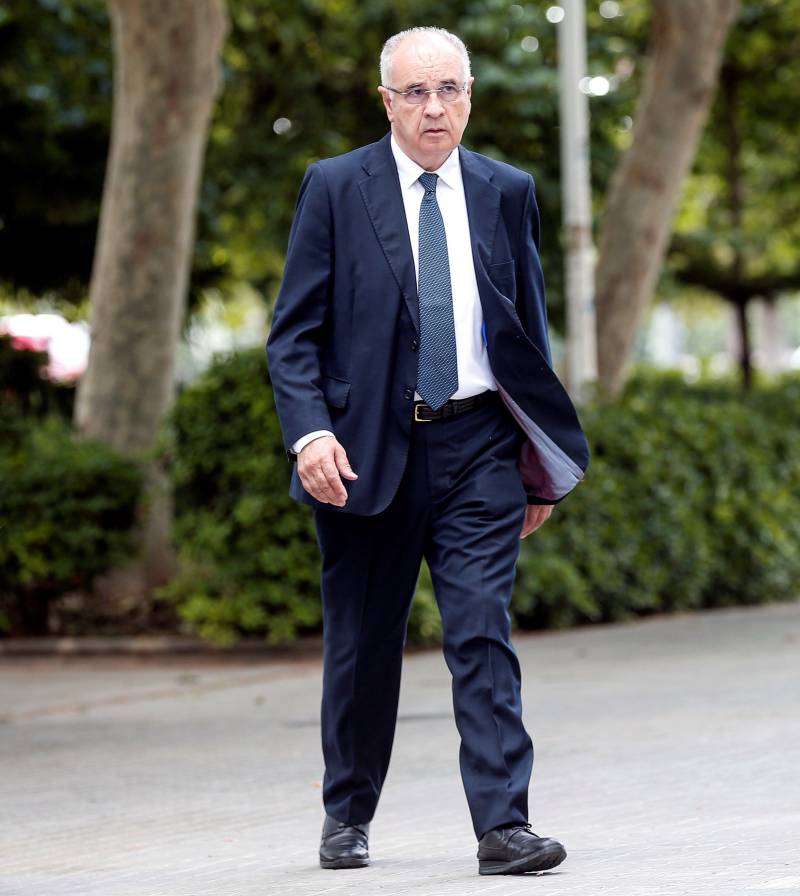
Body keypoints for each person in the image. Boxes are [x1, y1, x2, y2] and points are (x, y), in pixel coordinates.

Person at [265, 26, 589, 876]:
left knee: (481, 632)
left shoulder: (507, 190)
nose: (434, 107)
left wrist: (537, 455)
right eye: (415, 92)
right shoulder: (336, 188)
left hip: (480, 444)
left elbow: (527, 335)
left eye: (449, 89)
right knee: (364, 645)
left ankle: (503, 826)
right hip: (366, 453)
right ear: (387, 102)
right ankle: (348, 813)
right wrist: (310, 433)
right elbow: (293, 334)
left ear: (470, 95)